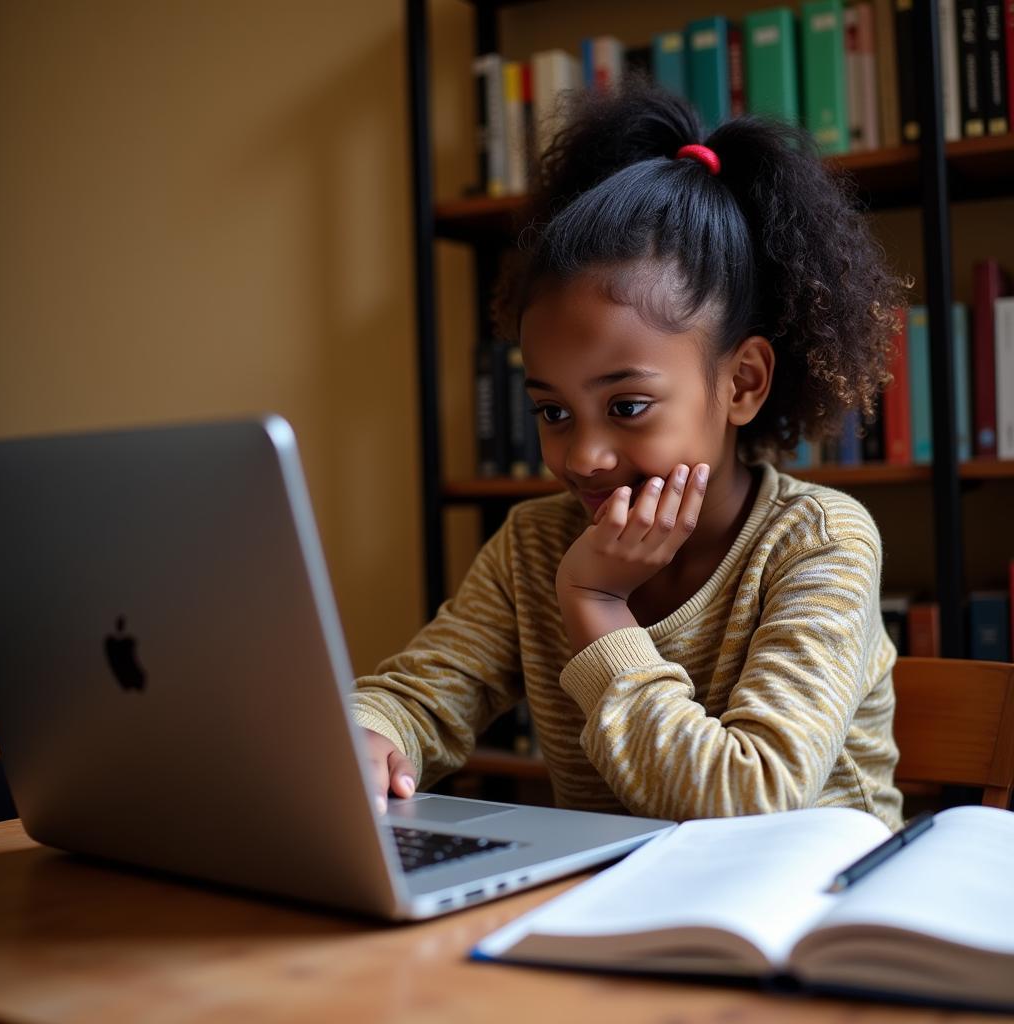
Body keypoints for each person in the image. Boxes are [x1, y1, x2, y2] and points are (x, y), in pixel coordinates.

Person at [352, 81, 907, 829]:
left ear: (741, 383)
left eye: (628, 407)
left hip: (816, 916)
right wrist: (371, 731)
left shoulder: (817, 544)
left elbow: (751, 799)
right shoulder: (534, 546)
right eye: (552, 410)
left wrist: (597, 607)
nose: (584, 456)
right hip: (614, 916)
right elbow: (418, 694)